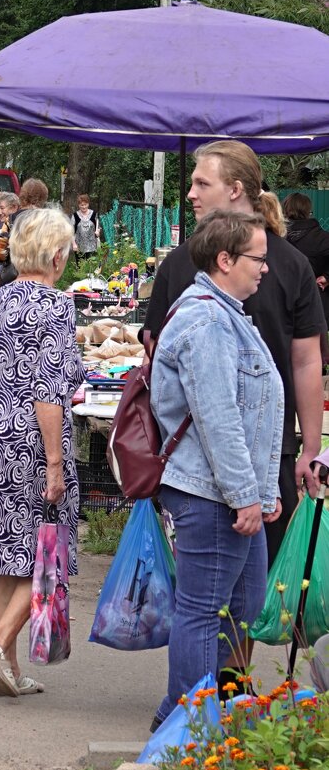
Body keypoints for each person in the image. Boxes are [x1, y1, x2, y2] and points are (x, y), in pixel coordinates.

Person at [142, 140, 325, 567]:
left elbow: (307, 360)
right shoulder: (180, 263)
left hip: (268, 453)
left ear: (236, 189)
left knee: (249, 594)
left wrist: (310, 447)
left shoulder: (292, 264)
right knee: (205, 597)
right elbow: (154, 356)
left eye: (202, 183)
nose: (191, 194)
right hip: (192, 463)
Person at [148, 209, 283, 729]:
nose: (265, 269)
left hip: (230, 492)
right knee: (204, 613)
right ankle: (184, 724)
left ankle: (211, 715)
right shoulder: (207, 321)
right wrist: (245, 494)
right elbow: (219, 419)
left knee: (241, 607)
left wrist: (260, 491)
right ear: (225, 260)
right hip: (213, 495)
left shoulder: (226, 315)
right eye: (257, 259)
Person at [0, 208, 84, 697]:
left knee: (8, 551)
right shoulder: (55, 306)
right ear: (55, 255)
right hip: (31, 443)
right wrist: (55, 463)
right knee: (47, 553)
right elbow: (48, 393)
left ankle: (4, 672)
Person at [282, 192, 329, 327]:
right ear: (308, 211)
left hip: (281, 302)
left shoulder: (275, 237)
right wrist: (326, 277)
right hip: (316, 304)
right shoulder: (322, 238)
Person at [71, 193, 101, 261]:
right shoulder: (75, 216)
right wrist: (73, 244)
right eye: (82, 205)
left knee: (91, 267)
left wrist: (98, 232)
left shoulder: (94, 214)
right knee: (80, 268)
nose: (84, 207)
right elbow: (71, 232)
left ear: (88, 204)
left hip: (92, 247)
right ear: (79, 205)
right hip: (79, 247)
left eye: (85, 204)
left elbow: (98, 227)